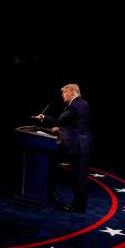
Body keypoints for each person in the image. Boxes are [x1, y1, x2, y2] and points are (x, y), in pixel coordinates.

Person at [32, 83, 93, 213]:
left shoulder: (73, 105)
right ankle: (80, 205)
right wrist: (62, 129)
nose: (63, 95)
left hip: (78, 145)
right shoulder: (84, 103)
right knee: (80, 177)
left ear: (72, 92)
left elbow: (60, 120)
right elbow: (77, 123)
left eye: (64, 92)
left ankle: (78, 206)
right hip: (84, 143)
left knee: (79, 178)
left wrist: (44, 117)